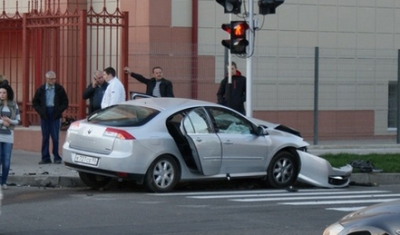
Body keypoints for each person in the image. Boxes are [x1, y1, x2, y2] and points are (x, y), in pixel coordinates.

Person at [32, 70, 69, 164]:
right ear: (47, 79)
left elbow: (65, 102)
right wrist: (40, 111)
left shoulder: (59, 89)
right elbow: (35, 102)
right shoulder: (41, 89)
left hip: (55, 113)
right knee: (45, 136)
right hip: (44, 114)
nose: (53, 81)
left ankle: (56, 156)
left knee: (55, 136)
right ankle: (45, 157)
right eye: (51, 79)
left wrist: (59, 110)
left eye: (54, 79)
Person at [0, 84, 20, 189]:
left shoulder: (13, 105)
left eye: (4, 92)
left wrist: (9, 121)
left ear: (8, 93)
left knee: (6, 160)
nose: (1, 95)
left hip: (8, 136)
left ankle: (4, 181)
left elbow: (18, 119)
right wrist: (3, 123)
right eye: (0, 92)